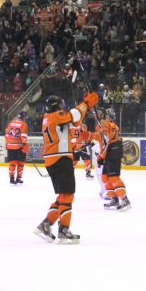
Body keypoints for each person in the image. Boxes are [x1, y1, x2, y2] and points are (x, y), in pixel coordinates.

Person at [34, 92, 98, 244]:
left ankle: (46, 224)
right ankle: (63, 229)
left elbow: (75, 119)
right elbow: (74, 114)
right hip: (61, 158)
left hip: (53, 159)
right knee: (68, 195)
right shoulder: (56, 116)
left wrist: (84, 110)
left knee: (63, 196)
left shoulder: (49, 117)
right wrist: (86, 104)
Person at [99, 108, 131, 211]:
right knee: (104, 177)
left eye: (103, 115)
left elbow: (107, 142)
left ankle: (124, 199)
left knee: (113, 177)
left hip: (113, 152)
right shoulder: (111, 125)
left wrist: (101, 156)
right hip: (111, 152)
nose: (101, 116)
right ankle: (114, 199)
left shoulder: (108, 125)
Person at [5, 111, 29, 185]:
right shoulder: (23, 124)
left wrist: (8, 143)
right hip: (19, 146)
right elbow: (23, 135)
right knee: (21, 163)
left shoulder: (11, 123)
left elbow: (6, 134)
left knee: (12, 163)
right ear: (24, 117)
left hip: (10, 145)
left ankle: (11, 179)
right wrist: (24, 144)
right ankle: (18, 179)